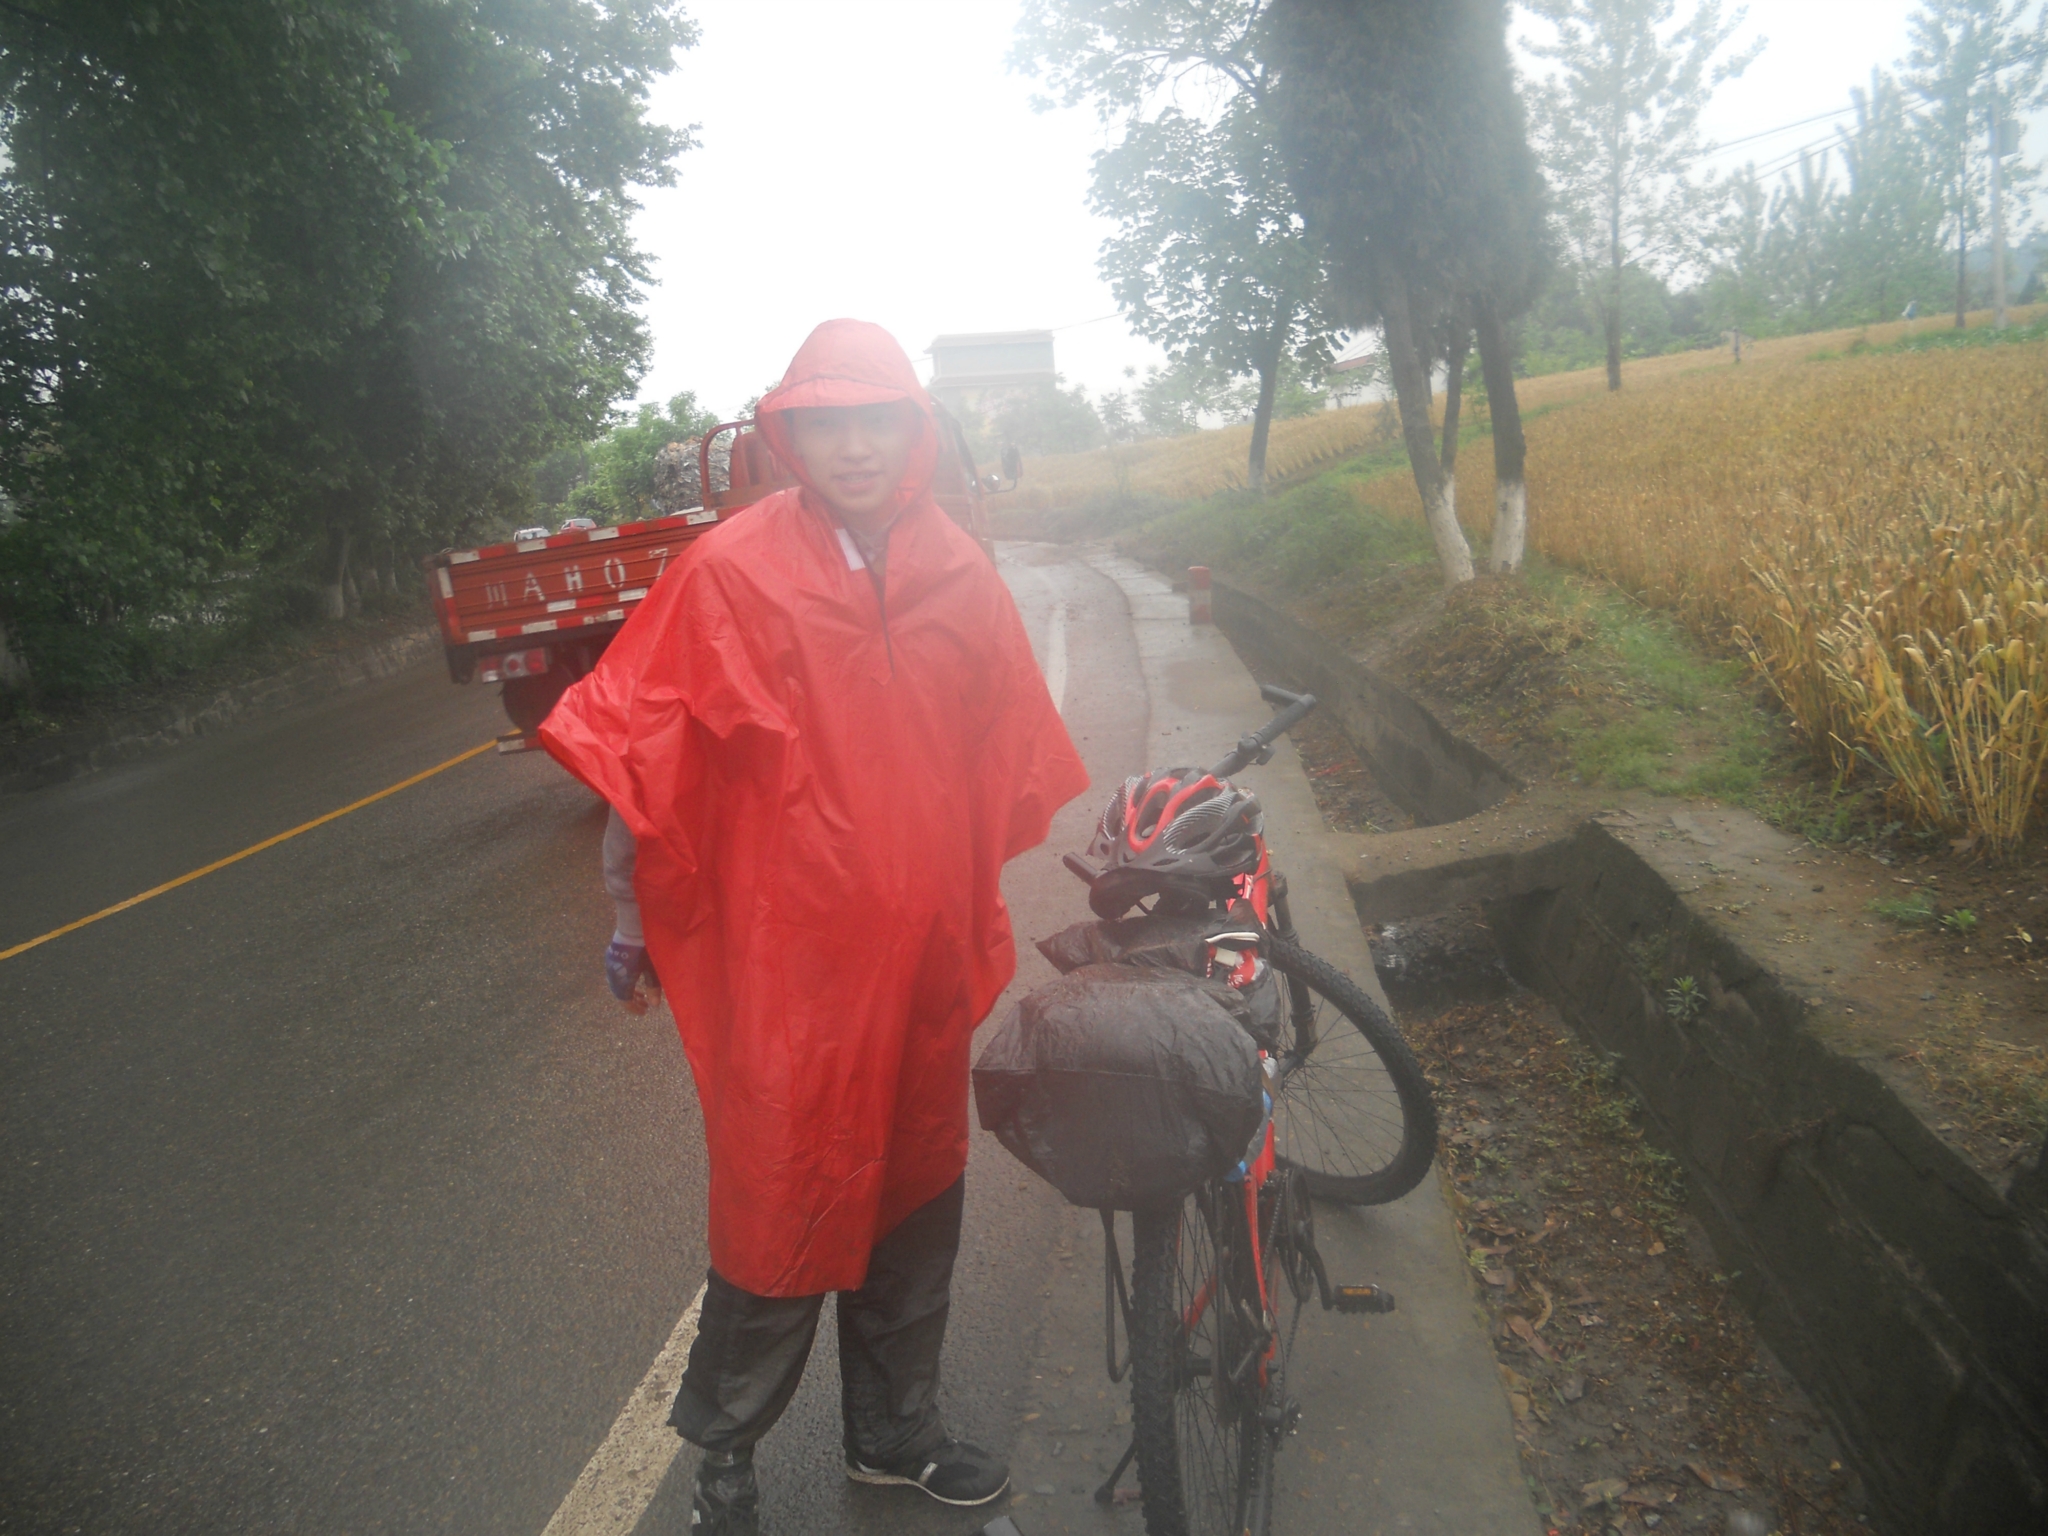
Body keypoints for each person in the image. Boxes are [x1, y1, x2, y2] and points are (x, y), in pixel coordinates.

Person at [540, 319, 1089, 1534]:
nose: (850, 445)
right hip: (786, 965)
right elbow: (646, 747)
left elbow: (1000, 749)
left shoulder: (957, 570)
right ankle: (723, 1461)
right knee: (783, 1194)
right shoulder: (733, 570)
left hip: (923, 959)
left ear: (911, 429)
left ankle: (894, 1436)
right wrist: (630, 910)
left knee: (913, 1189)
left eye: (873, 419)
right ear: (791, 432)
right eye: (825, 422)